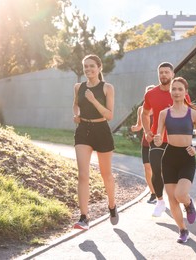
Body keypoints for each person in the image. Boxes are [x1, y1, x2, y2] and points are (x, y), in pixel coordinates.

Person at [154, 77, 196, 243]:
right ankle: (182, 230)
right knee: (171, 198)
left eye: (179, 89)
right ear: (170, 92)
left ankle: (189, 203)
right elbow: (158, 136)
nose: (176, 92)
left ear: (185, 92)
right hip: (169, 157)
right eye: (174, 89)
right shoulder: (164, 114)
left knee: (181, 194)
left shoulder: (193, 114)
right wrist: (156, 139)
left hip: (187, 156)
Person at [72, 54, 118, 230]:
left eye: (92, 66)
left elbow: (109, 115)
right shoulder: (78, 87)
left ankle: (112, 205)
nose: (88, 69)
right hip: (83, 131)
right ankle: (84, 217)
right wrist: (76, 114)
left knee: (106, 174)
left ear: (99, 68)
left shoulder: (107, 88)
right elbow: (75, 105)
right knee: (83, 174)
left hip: (102, 131)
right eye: (86, 67)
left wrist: (93, 100)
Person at [142, 62, 191, 217]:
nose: (163, 75)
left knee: (175, 174)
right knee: (156, 170)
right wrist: (147, 130)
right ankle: (160, 201)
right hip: (157, 139)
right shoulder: (151, 94)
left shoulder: (179, 93)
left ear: (172, 75)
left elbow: (189, 114)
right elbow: (144, 113)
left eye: (167, 72)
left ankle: (182, 199)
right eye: (161, 72)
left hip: (177, 141)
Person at [131, 85, 156, 204]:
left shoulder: (159, 108)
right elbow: (140, 125)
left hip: (158, 143)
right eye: (148, 93)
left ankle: (161, 192)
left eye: (152, 93)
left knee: (158, 170)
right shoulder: (141, 109)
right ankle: (153, 193)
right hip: (146, 143)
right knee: (147, 168)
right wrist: (136, 128)